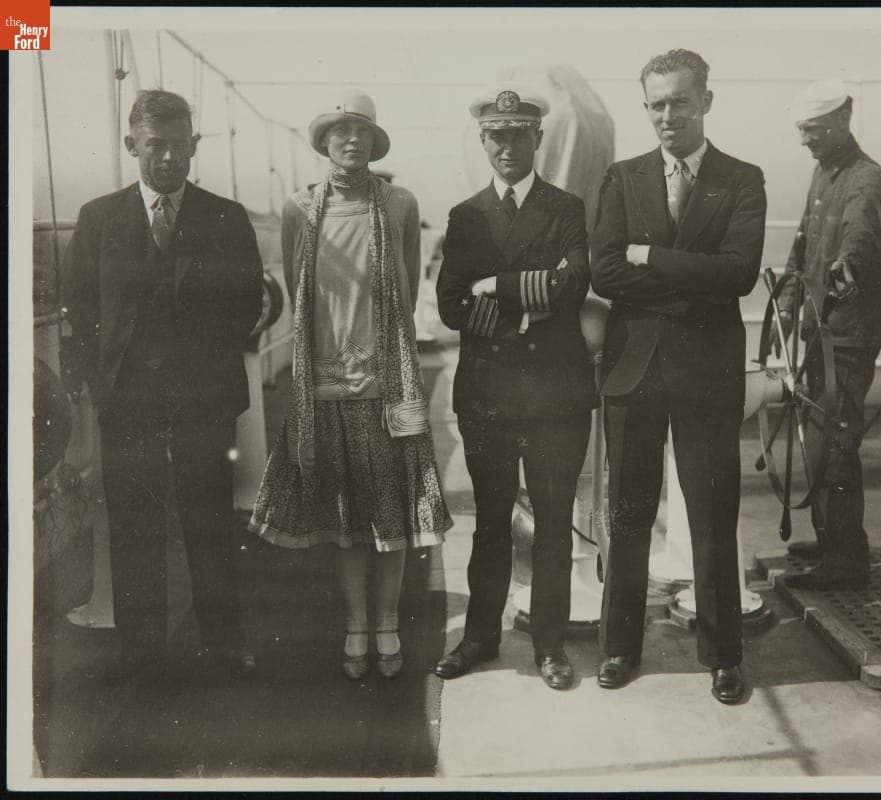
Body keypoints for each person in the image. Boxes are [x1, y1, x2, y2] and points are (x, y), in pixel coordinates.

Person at [249, 90, 451, 681]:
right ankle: (356, 624)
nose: (351, 140)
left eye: (360, 129)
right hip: (324, 390)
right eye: (340, 131)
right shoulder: (298, 209)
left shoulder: (400, 205)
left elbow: (410, 287)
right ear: (324, 142)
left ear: (373, 138)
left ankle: (388, 622)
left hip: (387, 386)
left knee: (391, 517)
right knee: (343, 520)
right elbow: (301, 297)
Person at [62, 89, 262, 682]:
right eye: (157, 145)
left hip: (204, 397)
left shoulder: (226, 216)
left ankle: (226, 645)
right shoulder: (99, 218)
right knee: (135, 524)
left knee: (209, 521)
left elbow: (247, 300)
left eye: (181, 145)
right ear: (132, 146)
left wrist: (194, 359)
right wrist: (97, 379)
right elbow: (79, 304)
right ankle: (141, 654)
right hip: (127, 400)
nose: (170, 157)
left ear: (194, 146)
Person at [589, 50, 767, 704]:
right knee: (628, 514)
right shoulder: (622, 177)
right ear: (647, 108)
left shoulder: (741, 179)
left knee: (712, 514)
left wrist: (651, 259)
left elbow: (738, 273)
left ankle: (722, 656)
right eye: (656, 104)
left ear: (705, 102)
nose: (668, 115)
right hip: (634, 370)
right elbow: (604, 271)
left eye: (679, 102)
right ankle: (618, 647)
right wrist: (687, 289)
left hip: (706, 374)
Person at [434, 86, 597, 690]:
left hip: (555, 395)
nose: (507, 146)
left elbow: (574, 284)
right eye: (496, 137)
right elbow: (451, 305)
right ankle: (479, 637)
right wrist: (527, 297)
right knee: (491, 522)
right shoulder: (466, 215)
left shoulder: (566, 209)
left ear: (538, 140)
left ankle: (549, 644)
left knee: (553, 522)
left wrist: (492, 286)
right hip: (489, 395)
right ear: (484, 142)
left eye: (519, 135)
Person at [777, 78, 881, 591]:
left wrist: (839, 279)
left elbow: (858, 247)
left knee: (837, 443)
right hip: (820, 333)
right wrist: (785, 302)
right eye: (801, 129)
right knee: (819, 439)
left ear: (844, 120)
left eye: (814, 130)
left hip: (846, 336)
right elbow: (804, 243)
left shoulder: (866, 180)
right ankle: (833, 542)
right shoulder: (824, 174)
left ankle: (846, 561)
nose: (804, 139)